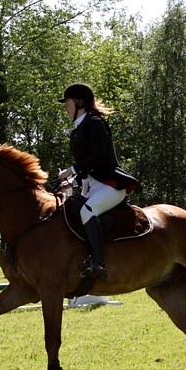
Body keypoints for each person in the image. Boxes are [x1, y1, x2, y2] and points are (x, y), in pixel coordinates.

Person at [57, 83, 140, 280]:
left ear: (79, 103)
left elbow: (98, 157)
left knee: (87, 211)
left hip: (111, 185)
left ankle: (98, 263)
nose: (65, 107)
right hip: (94, 187)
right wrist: (72, 182)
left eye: (67, 103)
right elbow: (89, 168)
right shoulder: (77, 130)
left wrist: (71, 170)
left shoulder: (95, 123)